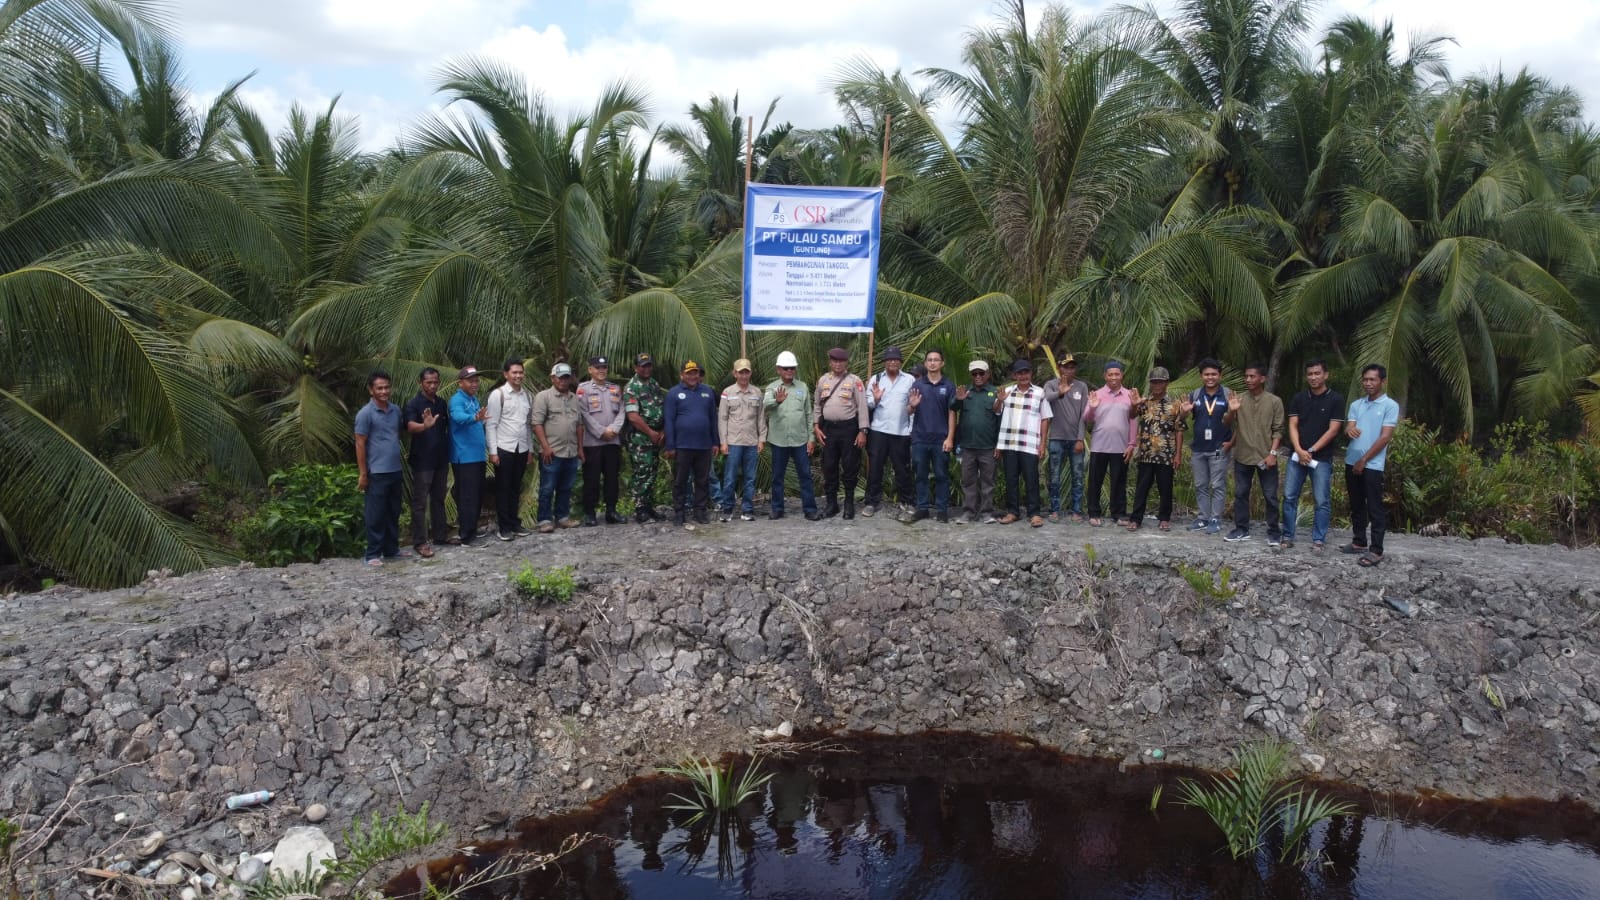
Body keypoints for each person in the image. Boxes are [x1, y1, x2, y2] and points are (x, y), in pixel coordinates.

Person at [1281, 359, 1345, 550]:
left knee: (1322, 500)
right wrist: (1300, 450)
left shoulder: (1336, 399)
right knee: (1289, 496)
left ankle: (1318, 539)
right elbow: (1292, 425)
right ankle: (1288, 536)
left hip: (1321, 458)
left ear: (1325, 375)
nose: (1313, 377)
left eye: (1317, 373)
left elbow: (1333, 430)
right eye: (1310, 374)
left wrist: (1311, 451)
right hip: (1296, 456)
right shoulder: (1299, 398)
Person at [1343, 364, 1400, 566]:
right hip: (1351, 461)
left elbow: (1385, 437)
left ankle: (1376, 549)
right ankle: (1359, 541)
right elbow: (1350, 425)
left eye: (1372, 380)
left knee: (1374, 506)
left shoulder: (1390, 406)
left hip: (1372, 464)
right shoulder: (1357, 404)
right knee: (1356, 504)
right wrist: (1349, 430)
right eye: (1365, 379)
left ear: (1382, 381)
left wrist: (1364, 460)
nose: (1368, 383)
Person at [1223, 362, 1285, 545]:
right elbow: (1226, 423)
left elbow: (1279, 430)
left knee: (1270, 496)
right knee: (1241, 493)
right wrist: (1231, 411)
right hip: (1243, 455)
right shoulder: (1239, 399)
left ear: (1262, 379)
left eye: (1252, 376)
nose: (1248, 379)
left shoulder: (1274, 401)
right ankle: (1241, 529)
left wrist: (1273, 453)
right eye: (1246, 376)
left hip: (1266, 457)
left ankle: (1274, 531)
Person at [353, 371, 406, 565]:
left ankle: (391, 549)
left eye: (387, 387)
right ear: (371, 390)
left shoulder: (395, 410)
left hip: (395, 469)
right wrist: (363, 473)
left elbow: (396, 435)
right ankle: (373, 554)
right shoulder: (365, 414)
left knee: (393, 511)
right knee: (375, 514)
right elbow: (360, 443)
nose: (384, 391)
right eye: (379, 388)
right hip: (376, 472)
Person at [994, 359, 1053, 526]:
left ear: (1031, 373)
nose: (1023, 376)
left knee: (1031, 478)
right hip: (1009, 443)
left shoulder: (1040, 393)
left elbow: (1045, 419)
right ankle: (1013, 512)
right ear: (1014, 375)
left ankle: (1034, 514)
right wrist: (999, 400)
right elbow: (996, 412)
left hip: (1029, 443)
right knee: (1011, 479)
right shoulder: (1007, 391)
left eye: (1026, 372)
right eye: (1019, 373)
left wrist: (1042, 444)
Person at [1126, 367, 1184, 531]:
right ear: (1150, 384)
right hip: (1146, 453)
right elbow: (1131, 416)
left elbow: (1179, 430)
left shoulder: (1176, 404)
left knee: (1165, 488)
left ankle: (1164, 518)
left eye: (1160, 381)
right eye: (1154, 382)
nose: (1157, 385)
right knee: (1141, 488)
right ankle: (1136, 519)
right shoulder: (1144, 403)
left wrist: (1178, 454)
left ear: (1166, 383)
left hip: (1166, 455)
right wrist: (1134, 404)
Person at [814, 348, 869, 519]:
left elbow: (862, 407)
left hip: (849, 429)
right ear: (830, 362)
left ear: (846, 363)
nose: (838, 364)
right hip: (828, 429)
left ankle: (849, 504)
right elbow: (817, 404)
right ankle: (832, 504)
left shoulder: (855, 381)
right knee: (829, 466)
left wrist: (863, 431)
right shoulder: (823, 380)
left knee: (850, 466)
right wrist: (816, 426)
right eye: (835, 361)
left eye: (841, 361)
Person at [764, 351, 820, 520]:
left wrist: (811, 439)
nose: (789, 371)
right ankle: (777, 508)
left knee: (805, 475)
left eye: (792, 368)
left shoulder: (802, 387)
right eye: (786, 368)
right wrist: (777, 401)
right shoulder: (772, 388)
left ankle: (810, 509)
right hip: (779, 440)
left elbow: (808, 414)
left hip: (800, 440)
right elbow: (765, 405)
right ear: (778, 369)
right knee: (777, 476)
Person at [663, 360, 720, 525]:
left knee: (702, 480)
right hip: (682, 445)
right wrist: (670, 445)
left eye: (695, 372)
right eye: (688, 373)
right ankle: (679, 512)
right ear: (682, 375)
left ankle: (700, 510)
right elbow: (669, 420)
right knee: (680, 480)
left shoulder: (708, 392)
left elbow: (713, 418)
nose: (692, 376)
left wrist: (715, 442)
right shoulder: (674, 393)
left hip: (704, 445)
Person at [1082, 361, 1138, 526]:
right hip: (1099, 445)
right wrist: (1092, 407)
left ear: (1122, 375)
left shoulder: (1129, 395)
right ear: (1104, 376)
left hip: (1121, 446)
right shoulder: (1097, 394)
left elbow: (1133, 420)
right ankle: (1093, 513)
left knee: (1119, 481)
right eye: (1110, 374)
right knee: (1095, 481)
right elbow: (1087, 418)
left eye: (1117, 374)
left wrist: (1131, 444)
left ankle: (1119, 514)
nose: (1113, 377)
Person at [402, 367, 451, 557]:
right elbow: (410, 426)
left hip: (440, 458)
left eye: (435, 382)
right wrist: (425, 425)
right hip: (422, 460)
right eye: (428, 382)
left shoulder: (441, 403)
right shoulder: (413, 404)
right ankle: (420, 542)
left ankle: (440, 536)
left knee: (439, 498)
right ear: (420, 383)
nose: (432, 385)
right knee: (420, 501)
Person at [862, 346, 915, 517]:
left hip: (901, 431)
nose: (893, 362)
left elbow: (912, 406)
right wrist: (876, 399)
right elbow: (868, 404)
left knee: (902, 469)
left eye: (896, 359)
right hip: (879, 430)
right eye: (889, 359)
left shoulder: (909, 380)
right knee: (876, 467)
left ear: (900, 362)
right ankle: (871, 502)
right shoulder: (876, 379)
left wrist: (912, 409)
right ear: (884, 362)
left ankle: (906, 501)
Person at [531, 362, 584, 533]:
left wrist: (581, 449)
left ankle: (563, 517)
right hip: (552, 452)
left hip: (571, 451)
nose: (563, 380)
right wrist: (545, 446)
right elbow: (537, 424)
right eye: (560, 377)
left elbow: (579, 426)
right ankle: (544, 519)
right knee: (547, 488)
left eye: (566, 377)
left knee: (566, 487)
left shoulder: (574, 398)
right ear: (553, 378)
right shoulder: (543, 396)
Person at [905, 349, 957, 523]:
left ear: (942, 363)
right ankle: (923, 508)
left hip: (940, 439)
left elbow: (952, 413)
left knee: (942, 475)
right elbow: (909, 410)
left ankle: (942, 510)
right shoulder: (918, 385)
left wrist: (950, 438)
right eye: (929, 360)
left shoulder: (949, 386)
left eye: (936, 360)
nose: (933, 363)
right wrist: (912, 406)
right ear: (926, 363)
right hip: (920, 438)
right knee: (920, 475)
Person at [485, 358, 534, 540]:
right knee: (503, 488)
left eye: (520, 372)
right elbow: (491, 425)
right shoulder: (498, 395)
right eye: (514, 372)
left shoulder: (526, 396)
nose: (518, 375)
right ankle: (504, 526)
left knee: (515, 488)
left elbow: (527, 425)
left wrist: (530, 449)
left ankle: (514, 522)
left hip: (521, 448)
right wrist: (493, 452)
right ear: (506, 374)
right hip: (504, 447)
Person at [576, 356, 626, 526]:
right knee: (591, 479)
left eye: (604, 367)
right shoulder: (583, 390)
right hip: (593, 443)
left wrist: (614, 429)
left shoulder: (615, 389)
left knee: (612, 478)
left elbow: (622, 411)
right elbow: (583, 414)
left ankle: (611, 511)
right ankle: (590, 513)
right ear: (590, 370)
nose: (601, 371)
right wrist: (601, 431)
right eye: (597, 368)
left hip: (612, 441)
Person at [951, 360, 1002, 524]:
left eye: (981, 373)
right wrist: (959, 399)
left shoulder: (995, 392)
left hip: (988, 446)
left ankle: (987, 512)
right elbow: (952, 407)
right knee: (968, 481)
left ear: (988, 374)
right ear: (971, 375)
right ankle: (968, 512)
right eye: (975, 374)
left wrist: (999, 445)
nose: (978, 376)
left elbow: (1001, 420)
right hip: (968, 446)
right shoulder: (965, 391)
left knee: (988, 482)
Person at [1042, 353, 1090, 523]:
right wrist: (1060, 393)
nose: (1069, 370)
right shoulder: (1051, 384)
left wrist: (1080, 439)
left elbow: (1084, 415)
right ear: (1059, 367)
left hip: (1075, 439)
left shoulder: (1082, 387)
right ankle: (1054, 510)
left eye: (1072, 367)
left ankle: (1076, 510)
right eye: (1065, 366)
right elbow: (1046, 398)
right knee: (1054, 476)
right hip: (1056, 438)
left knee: (1077, 476)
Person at [1185, 359, 1232, 534]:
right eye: (1206, 374)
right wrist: (1183, 411)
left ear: (1220, 375)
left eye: (1214, 374)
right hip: (1198, 448)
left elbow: (1236, 422)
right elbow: (1183, 419)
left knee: (1218, 484)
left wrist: (1231, 443)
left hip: (1219, 447)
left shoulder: (1227, 395)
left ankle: (1215, 518)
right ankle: (1203, 517)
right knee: (1200, 484)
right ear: (1201, 376)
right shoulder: (1195, 395)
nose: (1210, 377)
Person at [718, 358, 766, 521]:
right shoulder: (727, 393)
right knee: (730, 477)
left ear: (750, 373)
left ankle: (747, 509)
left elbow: (761, 418)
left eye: (746, 372)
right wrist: (723, 442)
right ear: (735, 374)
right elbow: (722, 418)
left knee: (750, 478)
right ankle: (727, 509)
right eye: (740, 372)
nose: (743, 375)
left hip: (751, 442)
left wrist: (762, 439)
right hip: (733, 442)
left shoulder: (757, 392)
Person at [447, 366, 488, 545]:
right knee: (467, 496)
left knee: (477, 494)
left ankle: (472, 528)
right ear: (460, 383)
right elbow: (458, 417)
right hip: (464, 457)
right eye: (470, 380)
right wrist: (475, 418)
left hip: (477, 455)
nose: (474, 383)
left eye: (476, 380)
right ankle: (466, 535)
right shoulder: (457, 400)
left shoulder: (473, 399)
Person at [623, 354, 667, 523]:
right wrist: (651, 432)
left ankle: (649, 506)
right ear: (636, 368)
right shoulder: (632, 387)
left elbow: (659, 408)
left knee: (652, 472)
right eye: (643, 366)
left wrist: (662, 431)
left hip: (656, 436)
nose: (646, 369)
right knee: (642, 472)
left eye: (648, 365)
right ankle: (640, 508)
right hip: (641, 438)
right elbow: (633, 416)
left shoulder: (654, 384)